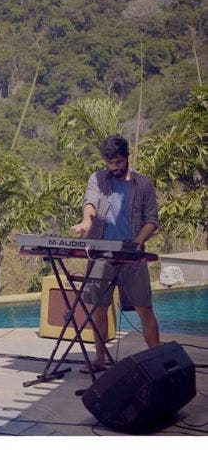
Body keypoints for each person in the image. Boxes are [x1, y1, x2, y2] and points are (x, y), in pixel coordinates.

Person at [71, 134, 160, 373]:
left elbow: (152, 220)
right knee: (98, 308)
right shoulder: (98, 179)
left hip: (131, 255)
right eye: (110, 163)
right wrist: (84, 222)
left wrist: (138, 241)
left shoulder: (143, 184)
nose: (115, 167)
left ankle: (156, 359)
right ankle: (99, 359)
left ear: (127, 157)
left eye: (119, 162)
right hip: (101, 252)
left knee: (144, 307)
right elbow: (90, 205)